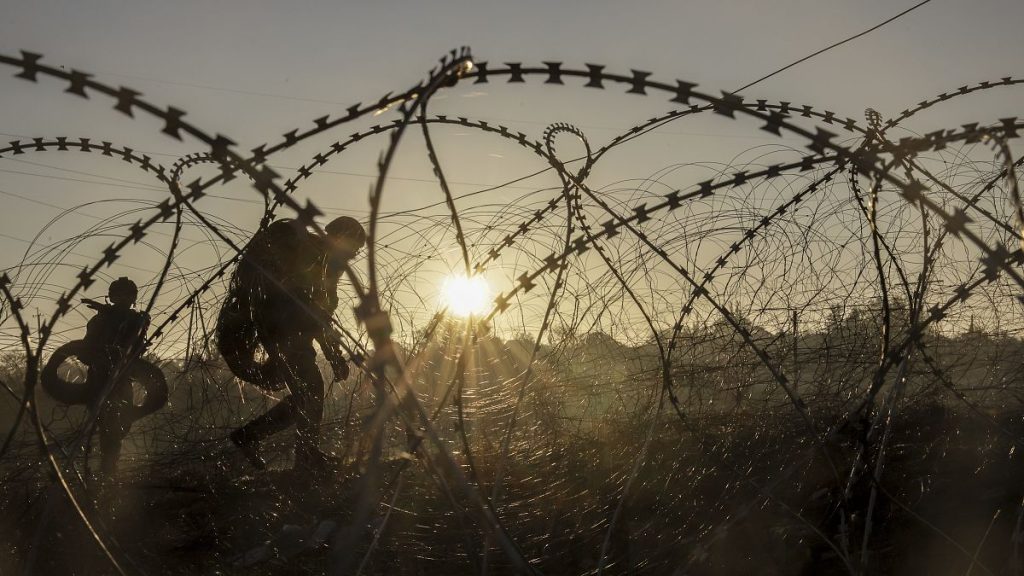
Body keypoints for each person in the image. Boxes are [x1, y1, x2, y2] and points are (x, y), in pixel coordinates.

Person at [226, 216, 366, 471]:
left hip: (296, 333)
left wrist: (332, 353)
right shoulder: (308, 251)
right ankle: (305, 457)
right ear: (339, 239)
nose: (353, 255)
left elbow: (322, 315)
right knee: (310, 389)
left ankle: (253, 437)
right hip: (281, 331)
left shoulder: (330, 265)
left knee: (306, 394)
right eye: (352, 248)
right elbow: (297, 298)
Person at [80, 276, 150, 476]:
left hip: (120, 378)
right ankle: (104, 470)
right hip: (100, 379)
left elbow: (136, 346)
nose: (122, 300)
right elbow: (85, 353)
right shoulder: (100, 320)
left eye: (126, 296)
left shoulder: (137, 320)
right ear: (111, 297)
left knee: (118, 426)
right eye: (118, 296)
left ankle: (108, 469)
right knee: (104, 426)